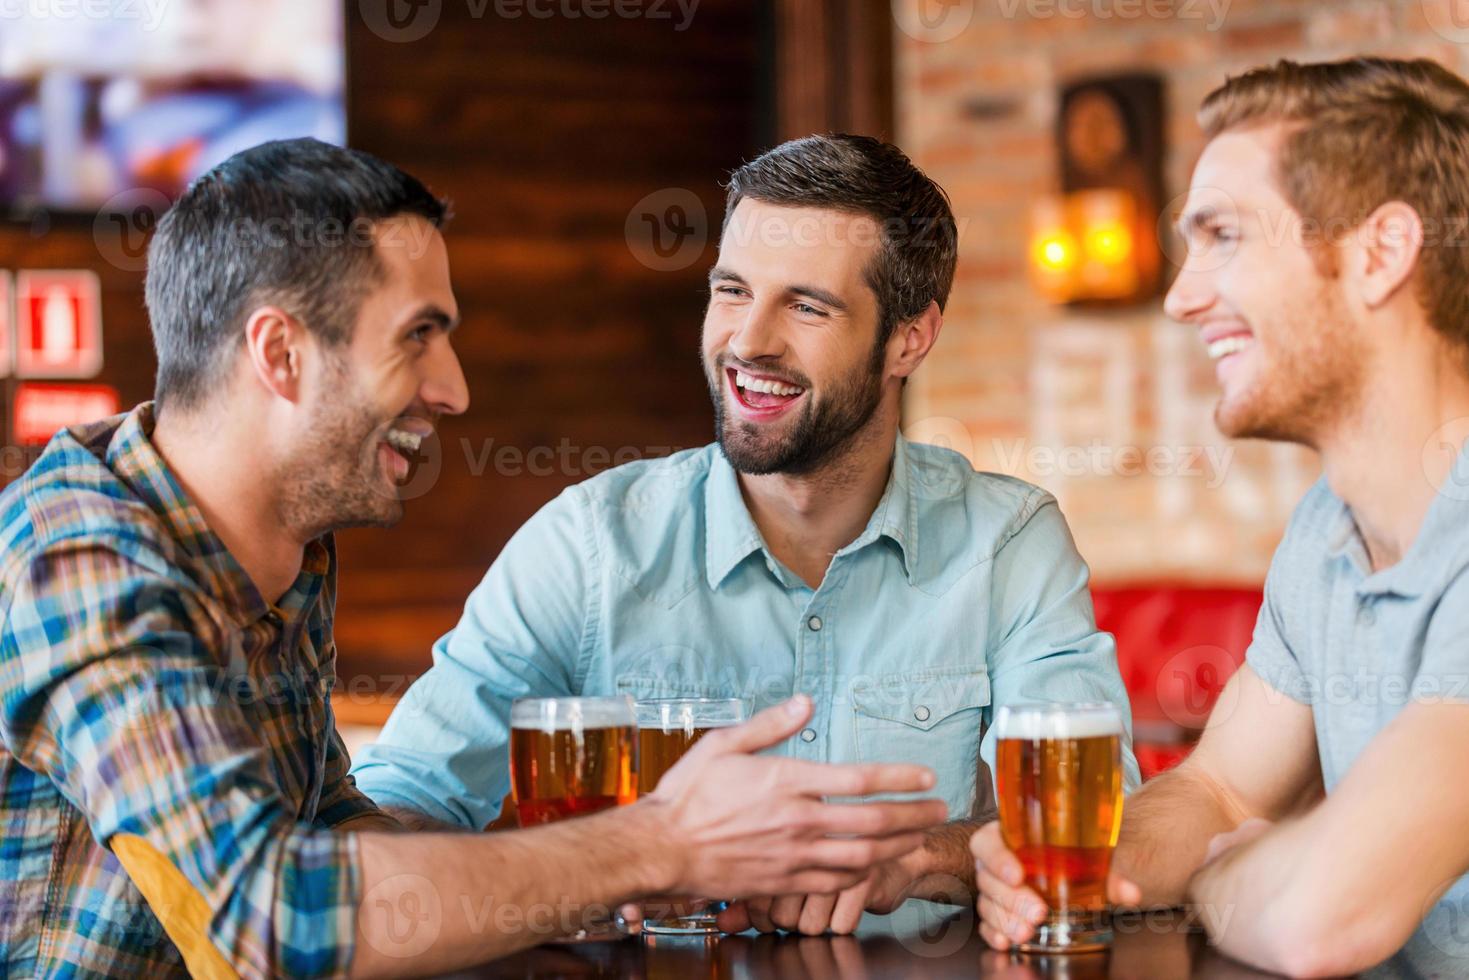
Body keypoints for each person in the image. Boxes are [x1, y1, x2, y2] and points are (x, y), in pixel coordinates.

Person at [0, 138, 949, 978]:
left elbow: (338, 837)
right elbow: (272, 922)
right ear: (280, 354)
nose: (453, 390)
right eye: (420, 338)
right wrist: (659, 842)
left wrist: (614, 883)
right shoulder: (79, 554)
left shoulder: (275, 553)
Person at [351, 133, 1141, 935]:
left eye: (806, 305)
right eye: (731, 291)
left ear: (910, 338)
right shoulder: (587, 545)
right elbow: (394, 808)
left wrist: (918, 859)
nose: (748, 341)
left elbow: (1095, 834)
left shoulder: (1006, 541)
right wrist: (608, 860)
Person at [972, 56, 1469, 978]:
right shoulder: (1327, 532)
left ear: (1380, 253)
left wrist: (1214, 882)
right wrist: (1082, 869)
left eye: (1223, 236)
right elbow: (1219, 784)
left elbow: (1328, 917)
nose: (1180, 294)